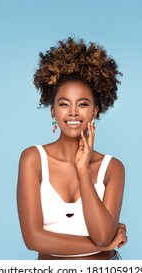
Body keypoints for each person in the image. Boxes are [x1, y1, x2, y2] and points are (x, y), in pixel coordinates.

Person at [17, 37, 127, 260]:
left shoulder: (112, 168)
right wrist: (104, 244)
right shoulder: (33, 159)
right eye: (64, 104)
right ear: (52, 111)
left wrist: (83, 170)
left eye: (83, 104)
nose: (74, 112)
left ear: (95, 111)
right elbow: (32, 239)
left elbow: (103, 235)